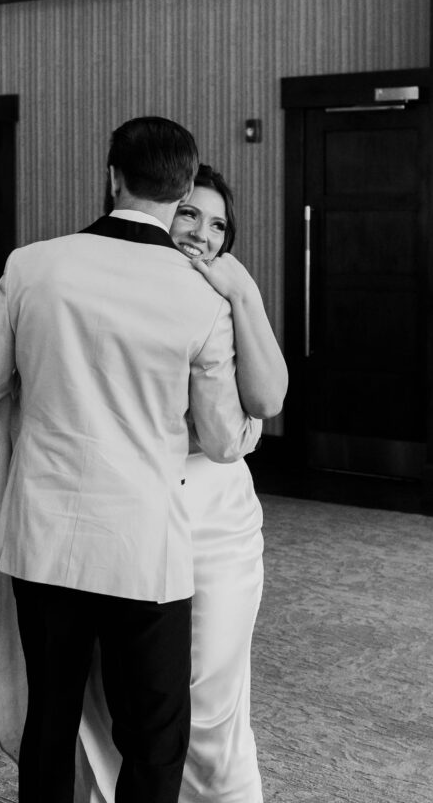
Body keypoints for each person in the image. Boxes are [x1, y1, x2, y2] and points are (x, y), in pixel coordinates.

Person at [0, 117, 262, 803]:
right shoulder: (198, 293)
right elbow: (216, 439)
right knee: (152, 735)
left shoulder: (32, 264)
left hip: (46, 540)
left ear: (111, 176)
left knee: (51, 717)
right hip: (143, 548)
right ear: (181, 189)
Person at [75, 165, 288, 802]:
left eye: (218, 223)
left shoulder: (226, 296)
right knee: (117, 693)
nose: (201, 232)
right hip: (124, 510)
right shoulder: (103, 283)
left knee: (210, 698)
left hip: (215, 517)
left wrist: (243, 296)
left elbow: (268, 397)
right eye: (189, 213)